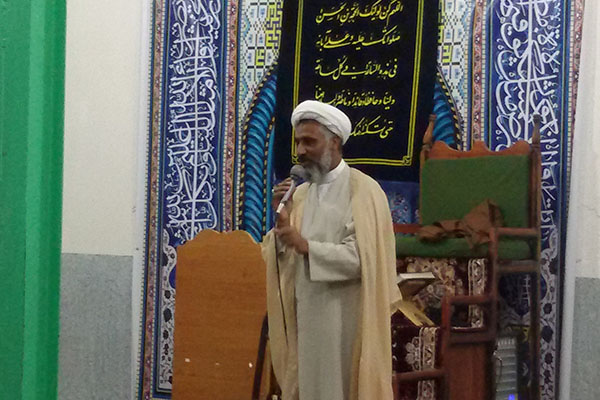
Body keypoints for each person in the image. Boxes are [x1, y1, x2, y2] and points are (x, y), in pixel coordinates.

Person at [261, 100, 401, 400]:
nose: (300, 151)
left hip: (346, 319)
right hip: (306, 318)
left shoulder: (363, 192)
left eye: (309, 142)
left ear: (334, 142)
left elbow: (362, 259)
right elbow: (280, 255)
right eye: (298, 142)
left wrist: (306, 246)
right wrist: (282, 227)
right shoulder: (299, 194)